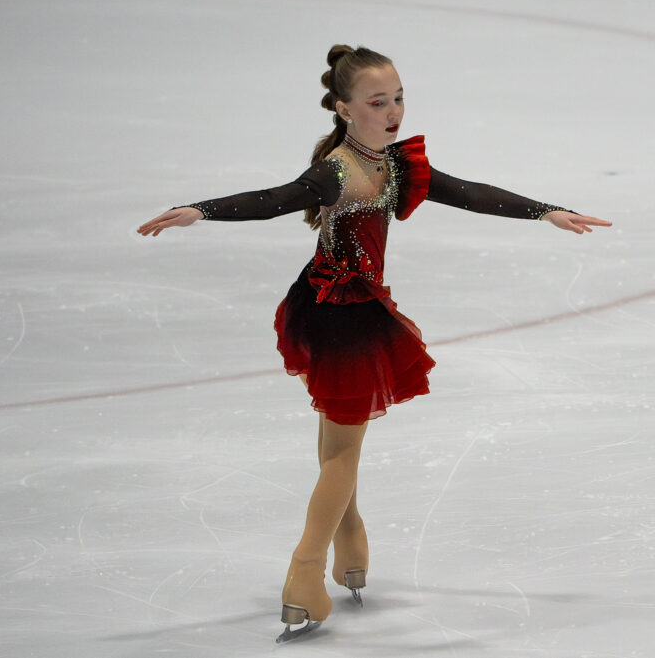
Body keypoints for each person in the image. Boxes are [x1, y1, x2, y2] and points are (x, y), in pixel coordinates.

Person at [137, 44, 611, 642]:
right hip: (342, 317)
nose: (393, 112)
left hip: (344, 305)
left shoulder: (396, 164)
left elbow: (469, 191)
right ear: (343, 108)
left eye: (399, 98)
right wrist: (200, 211)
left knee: (338, 438)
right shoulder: (338, 169)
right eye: (377, 102)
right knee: (344, 454)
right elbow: (274, 200)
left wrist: (546, 212)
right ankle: (303, 575)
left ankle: (351, 541)